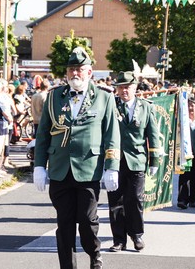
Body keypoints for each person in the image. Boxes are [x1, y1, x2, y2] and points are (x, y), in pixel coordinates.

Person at [33, 47, 121, 269]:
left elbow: (112, 136)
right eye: (72, 69)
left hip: (88, 169)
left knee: (87, 222)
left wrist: (112, 166)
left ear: (90, 72)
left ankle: (94, 255)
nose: (75, 73)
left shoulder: (104, 97)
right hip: (60, 169)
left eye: (80, 69)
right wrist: (39, 166)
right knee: (64, 224)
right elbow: (43, 134)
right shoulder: (54, 97)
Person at [107, 71, 160, 253]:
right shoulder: (111, 106)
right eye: (120, 87)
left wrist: (154, 161)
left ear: (135, 88)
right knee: (116, 201)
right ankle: (119, 240)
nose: (124, 91)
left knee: (135, 199)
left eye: (127, 87)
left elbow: (152, 135)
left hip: (137, 159)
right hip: (115, 160)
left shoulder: (146, 107)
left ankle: (136, 234)